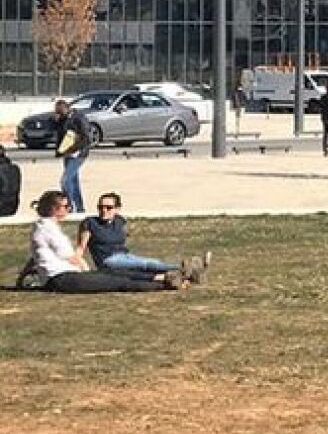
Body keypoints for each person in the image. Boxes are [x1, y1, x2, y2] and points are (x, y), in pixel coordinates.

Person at [22, 191, 199, 293]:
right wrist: (87, 271)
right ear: (54, 209)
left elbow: (37, 255)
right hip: (62, 279)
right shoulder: (49, 229)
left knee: (117, 274)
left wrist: (22, 277)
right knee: (116, 282)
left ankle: (166, 277)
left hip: (66, 276)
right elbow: (72, 257)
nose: (69, 209)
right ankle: (166, 284)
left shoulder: (43, 226)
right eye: (66, 206)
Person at [76, 192, 205, 279]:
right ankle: (184, 268)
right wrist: (81, 265)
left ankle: (189, 273)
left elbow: (125, 234)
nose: (104, 210)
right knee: (145, 264)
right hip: (108, 260)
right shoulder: (90, 223)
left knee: (150, 263)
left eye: (108, 207)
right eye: (100, 207)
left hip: (124, 255)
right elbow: (81, 247)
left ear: (117, 209)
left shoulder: (119, 221)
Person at [51, 98, 89, 216]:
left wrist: (74, 149)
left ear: (67, 109)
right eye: (57, 113)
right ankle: (80, 208)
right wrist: (56, 121)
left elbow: (85, 137)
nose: (59, 115)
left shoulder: (79, 118)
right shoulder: (62, 119)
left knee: (65, 180)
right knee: (73, 181)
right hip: (67, 153)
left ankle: (69, 206)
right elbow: (59, 134)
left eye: (61, 112)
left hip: (78, 153)